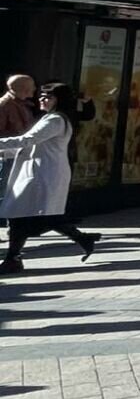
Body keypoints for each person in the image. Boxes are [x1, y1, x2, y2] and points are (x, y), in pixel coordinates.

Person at [0, 85, 100, 272]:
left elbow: (27, 140)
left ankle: (13, 259)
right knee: (29, 215)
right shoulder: (51, 118)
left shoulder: (55, 120)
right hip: (38, 171)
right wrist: (5, 152)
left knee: (26, 215)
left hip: (43, 173)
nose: (42, 99)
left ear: (59, 100)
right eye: (42, 96)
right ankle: (82, 238)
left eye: (48, 97)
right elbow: (29, 145)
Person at [0, 75, 37, 208]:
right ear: (23, 88)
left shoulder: (22, 104)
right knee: (5, 188)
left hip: (19, 153)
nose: (34, 89)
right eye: (32, 86)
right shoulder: (4, 105)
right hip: (7, 155)